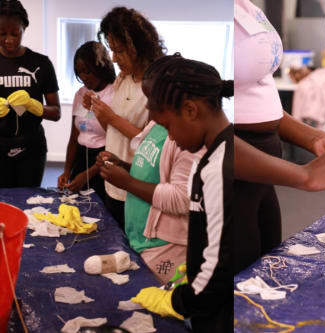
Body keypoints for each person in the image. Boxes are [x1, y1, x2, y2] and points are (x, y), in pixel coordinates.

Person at [232, 0, 325, 272]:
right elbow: (205, 126)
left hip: (262, 178)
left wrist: (312, 137)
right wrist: (303, 175)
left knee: (262, 274)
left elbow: (259, 92)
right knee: (235, 284)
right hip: (230, 175)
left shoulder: (246, 6)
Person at [125, 55, 232, 331]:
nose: (170, 138)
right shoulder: (205, 159)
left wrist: (176, 301)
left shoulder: (218, 167)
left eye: (168, 127)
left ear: (190, 110)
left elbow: (219, 268)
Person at [98, 54, 200, 284]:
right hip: (142, 235)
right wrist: (123, 166)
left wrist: (127, 182)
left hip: (166, 244)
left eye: (153, 102)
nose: (148, 109)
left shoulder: (186, 138)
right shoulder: (157, 124)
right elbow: (150, 166)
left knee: (159, 308)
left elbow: (182, 197)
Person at [92, 6, 164, 228]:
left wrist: (111, 117)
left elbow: (153, 144)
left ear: (139, 47)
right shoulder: (122, 79)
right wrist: (101, 113)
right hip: (113, 180)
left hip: (137, 184)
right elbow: (111, 131)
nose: (114, 59)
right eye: (111, 50)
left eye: (120, 51)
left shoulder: (156, 86)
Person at [0, 0, 60, 188]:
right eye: (1, 34)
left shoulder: (41, 63)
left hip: (31, 147)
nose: (8, 39)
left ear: (24, 28)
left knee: (30, 201)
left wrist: (34, 105)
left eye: (15, 34)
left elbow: (56, 113)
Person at [58, 41, 115, 201]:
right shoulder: (80, 94)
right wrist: (67, 171)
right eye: (79, 72)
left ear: (101, 67)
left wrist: (87, 175)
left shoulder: (114, 94)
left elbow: (115, 141)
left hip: (103, 162)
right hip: (80, 159)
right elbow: (74, 136)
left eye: (88, 71)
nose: (83, 77)